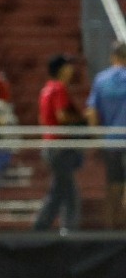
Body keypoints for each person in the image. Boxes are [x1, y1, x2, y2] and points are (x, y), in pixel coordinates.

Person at [33, 54, 95, 232]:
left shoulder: (46, 89)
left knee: (61, 191)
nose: (71, 69)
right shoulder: (58, 88)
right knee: (68, 194)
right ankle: (63, 231)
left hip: (51, 145)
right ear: (61, 69)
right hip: (60, 146)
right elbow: (62, 116)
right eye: (67, 66)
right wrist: (84, 120)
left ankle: (43, 228)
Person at [90, 42, 126, 230]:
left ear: (113, 57)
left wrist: (97, 138)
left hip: (111, 142)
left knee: (113, 187)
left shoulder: (101, 79)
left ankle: (111, 231)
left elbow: (92, 112)